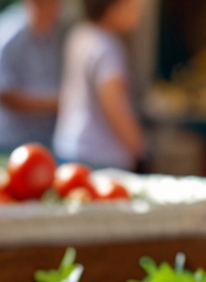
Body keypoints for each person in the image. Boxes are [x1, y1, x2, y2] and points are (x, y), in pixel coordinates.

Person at [54, 0, 146, 171]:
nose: (139, 11)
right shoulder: (107, 46)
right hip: (101, 156)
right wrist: (139, 148)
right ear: (114, 7)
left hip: (70, 145)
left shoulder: (80, 35)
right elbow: (114, 104)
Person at [0, 0, 64, 151]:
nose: (56, 11)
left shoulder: (50, 36)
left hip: (39, 141)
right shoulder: (8, 33)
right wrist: (56, 103)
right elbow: (3, 93)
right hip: (4, 142)